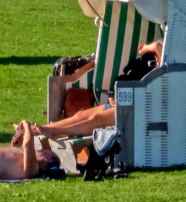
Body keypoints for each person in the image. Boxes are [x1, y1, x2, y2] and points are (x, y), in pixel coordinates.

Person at [35, 41, 164, 140]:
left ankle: (54, 131)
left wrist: (147, 48)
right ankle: (35, 130)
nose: (156, 58)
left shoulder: (168, 69)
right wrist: (115, 96)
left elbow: (158, 45)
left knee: (95, 119)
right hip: (126, 104)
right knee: (80, 115)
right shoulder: (158, 68)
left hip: (136, 110)